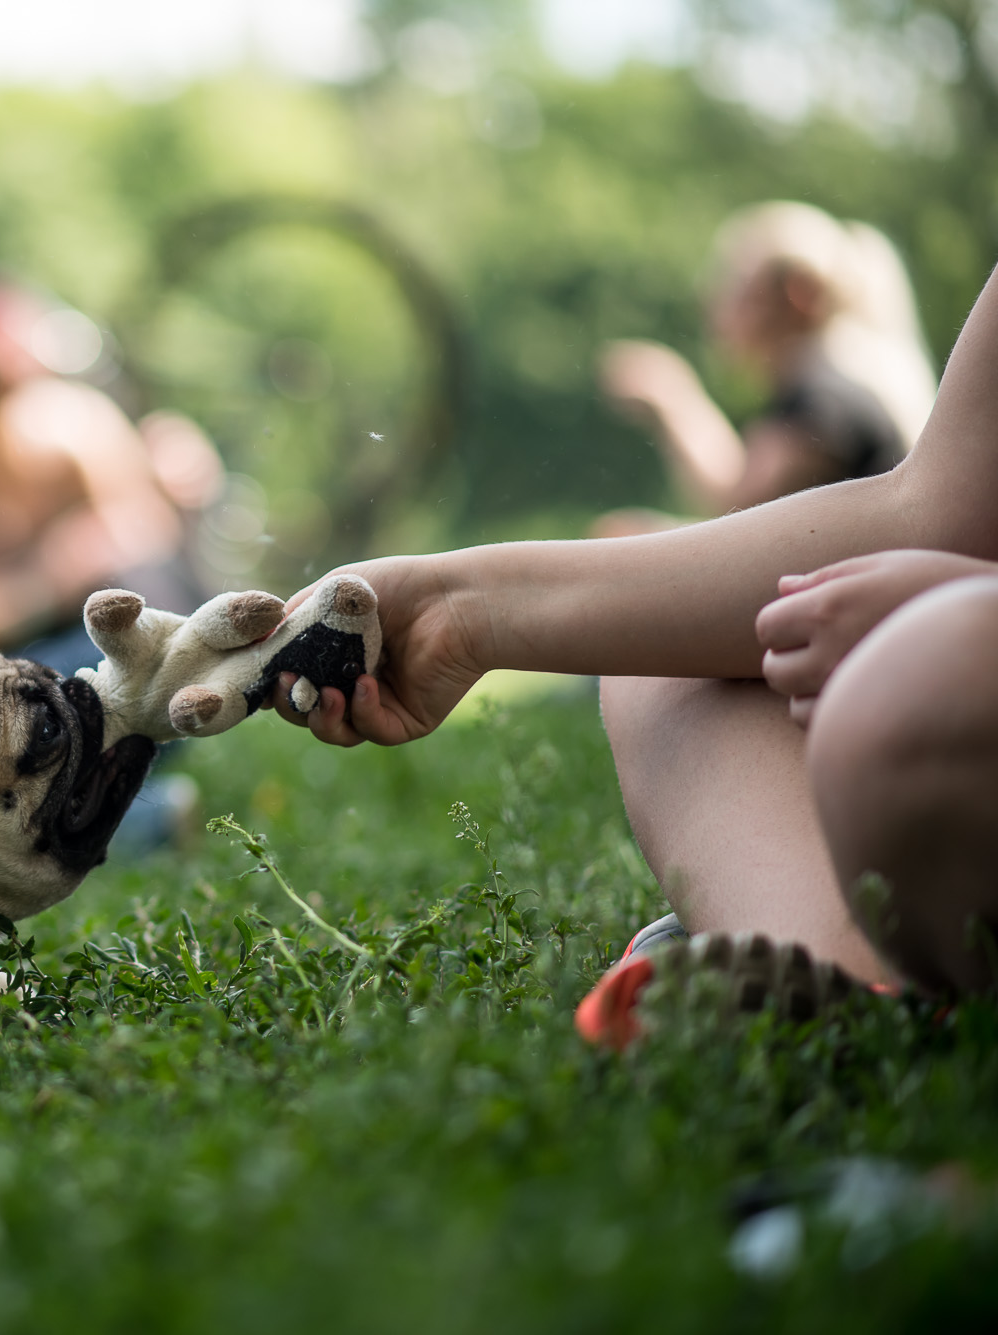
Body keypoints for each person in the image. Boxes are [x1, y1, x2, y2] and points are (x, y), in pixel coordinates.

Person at [271, 264, 998, 1036]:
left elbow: (746, 502)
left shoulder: (825, 395)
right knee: (658, 662)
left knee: (932, 667)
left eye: (735, 289)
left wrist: (948, 594)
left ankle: (826, 958)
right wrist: (465, 611)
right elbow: (936, 513)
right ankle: (833, 979)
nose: (716, 306)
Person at [0, 281, 213, 674]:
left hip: (103, 634)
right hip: (22, 642)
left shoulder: (68, 430)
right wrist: (50, 574)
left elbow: (150, 559)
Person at [594, 202, 936, 538]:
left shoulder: (826, 402)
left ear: (796, 294)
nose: (712, 301)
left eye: (734, 282)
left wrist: (672, 396)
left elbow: (740, 512)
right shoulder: (839, 385)